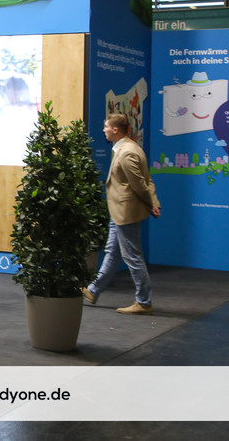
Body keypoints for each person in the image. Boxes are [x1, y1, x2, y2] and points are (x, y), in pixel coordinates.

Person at [82, 113, 161, 315]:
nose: (104, 130)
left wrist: (151, 204)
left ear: (115, 130)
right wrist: (153, 202)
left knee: (133, 257)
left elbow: (140, 184)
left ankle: (144, 302)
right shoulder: (128, 148)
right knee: (113, 251)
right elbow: (147, 180)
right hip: (119, 210)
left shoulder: (127, 153)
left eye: (106, 127)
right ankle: (93, 290)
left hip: (126, 212)